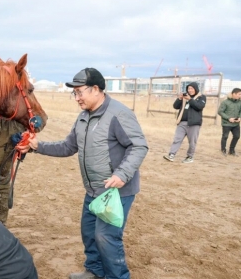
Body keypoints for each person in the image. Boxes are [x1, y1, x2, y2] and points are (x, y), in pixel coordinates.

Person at [17, 68, 148, 279]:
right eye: (74, 93)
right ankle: (94, 271)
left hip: (115, 191)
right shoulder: (83, 117)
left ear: (96, 89)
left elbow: (139, 146)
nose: (77, 98)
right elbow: (68, 146)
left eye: (80, 92)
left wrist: (122, 175)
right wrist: (36, 146)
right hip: (93, 189)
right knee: (89, 233)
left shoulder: (118, 114)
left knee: (106, 236)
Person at [163, 82, 206, 163]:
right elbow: (175, 106)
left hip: (194, 123)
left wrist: (190, 99)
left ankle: (190, 156)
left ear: (196, 89)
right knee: (177, 139)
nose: (190, 90)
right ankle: (171, 155)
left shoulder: (201, 97)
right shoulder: (184, 97)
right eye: (189, 88)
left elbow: (199, 107)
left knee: (192, 142)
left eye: (192, 88)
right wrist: (179, 98)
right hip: (182, 122)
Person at [218, 88, 241, 156]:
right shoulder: (225, 102)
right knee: (225, 136)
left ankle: (231, 150)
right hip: (226, 123)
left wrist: (240, 117)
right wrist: (228, 118)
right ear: (234, 94)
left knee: (237, 136)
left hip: (236, 124)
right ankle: (223, 150)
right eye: (239, 94)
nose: (240, 95)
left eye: (240, 94)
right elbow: (220, 112)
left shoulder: (240, 102)